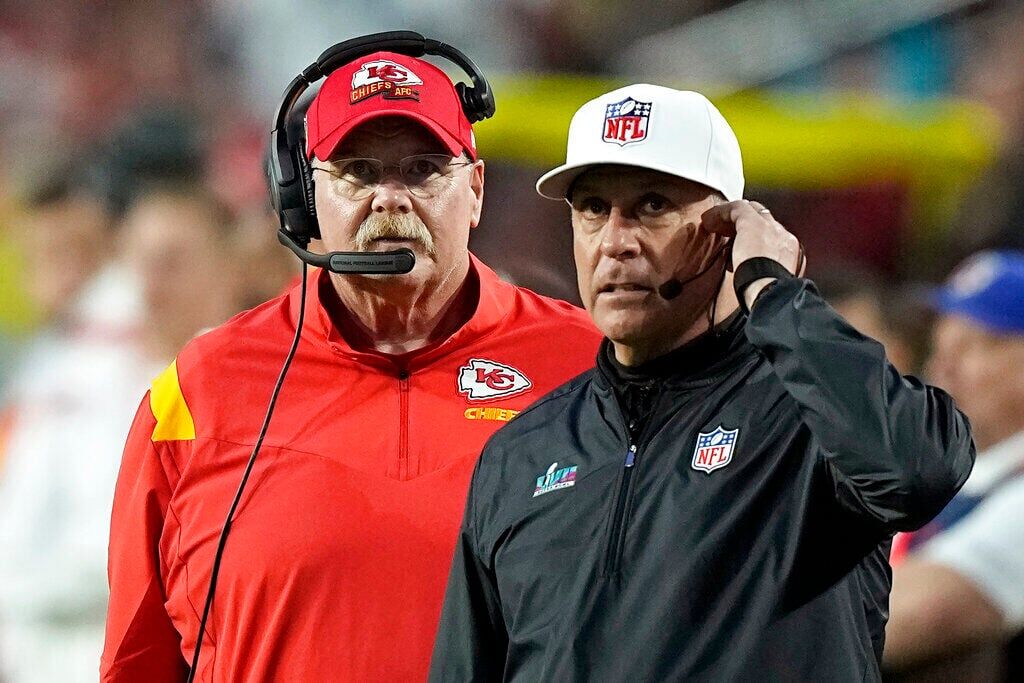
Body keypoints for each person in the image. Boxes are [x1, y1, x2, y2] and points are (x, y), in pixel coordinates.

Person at [429, 84, 975, 681]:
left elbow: (919, 470)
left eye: (653, 205)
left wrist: (773, 292)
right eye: (591, 209)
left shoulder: (806, 413)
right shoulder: (522, 451)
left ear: (730, 230)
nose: (615, 242)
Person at [100, 45, 601, 682]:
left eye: (423, 169)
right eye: (358, 172)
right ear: (306, 199)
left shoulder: (589, 366)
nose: (390, 199)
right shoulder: (198, 392)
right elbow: (136, 663)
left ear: (475, 191)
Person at [0, 183, 237, 683]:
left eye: (173, 261)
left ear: (225, 265)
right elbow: (15, 535)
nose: (153, 283)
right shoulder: (68, 383)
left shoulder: (251, 390)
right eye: (142, 261)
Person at [885, 250, 1024, 676]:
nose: (943, 363)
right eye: (943, 340)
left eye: (976, 343)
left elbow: (911, 616)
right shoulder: (923, 467)